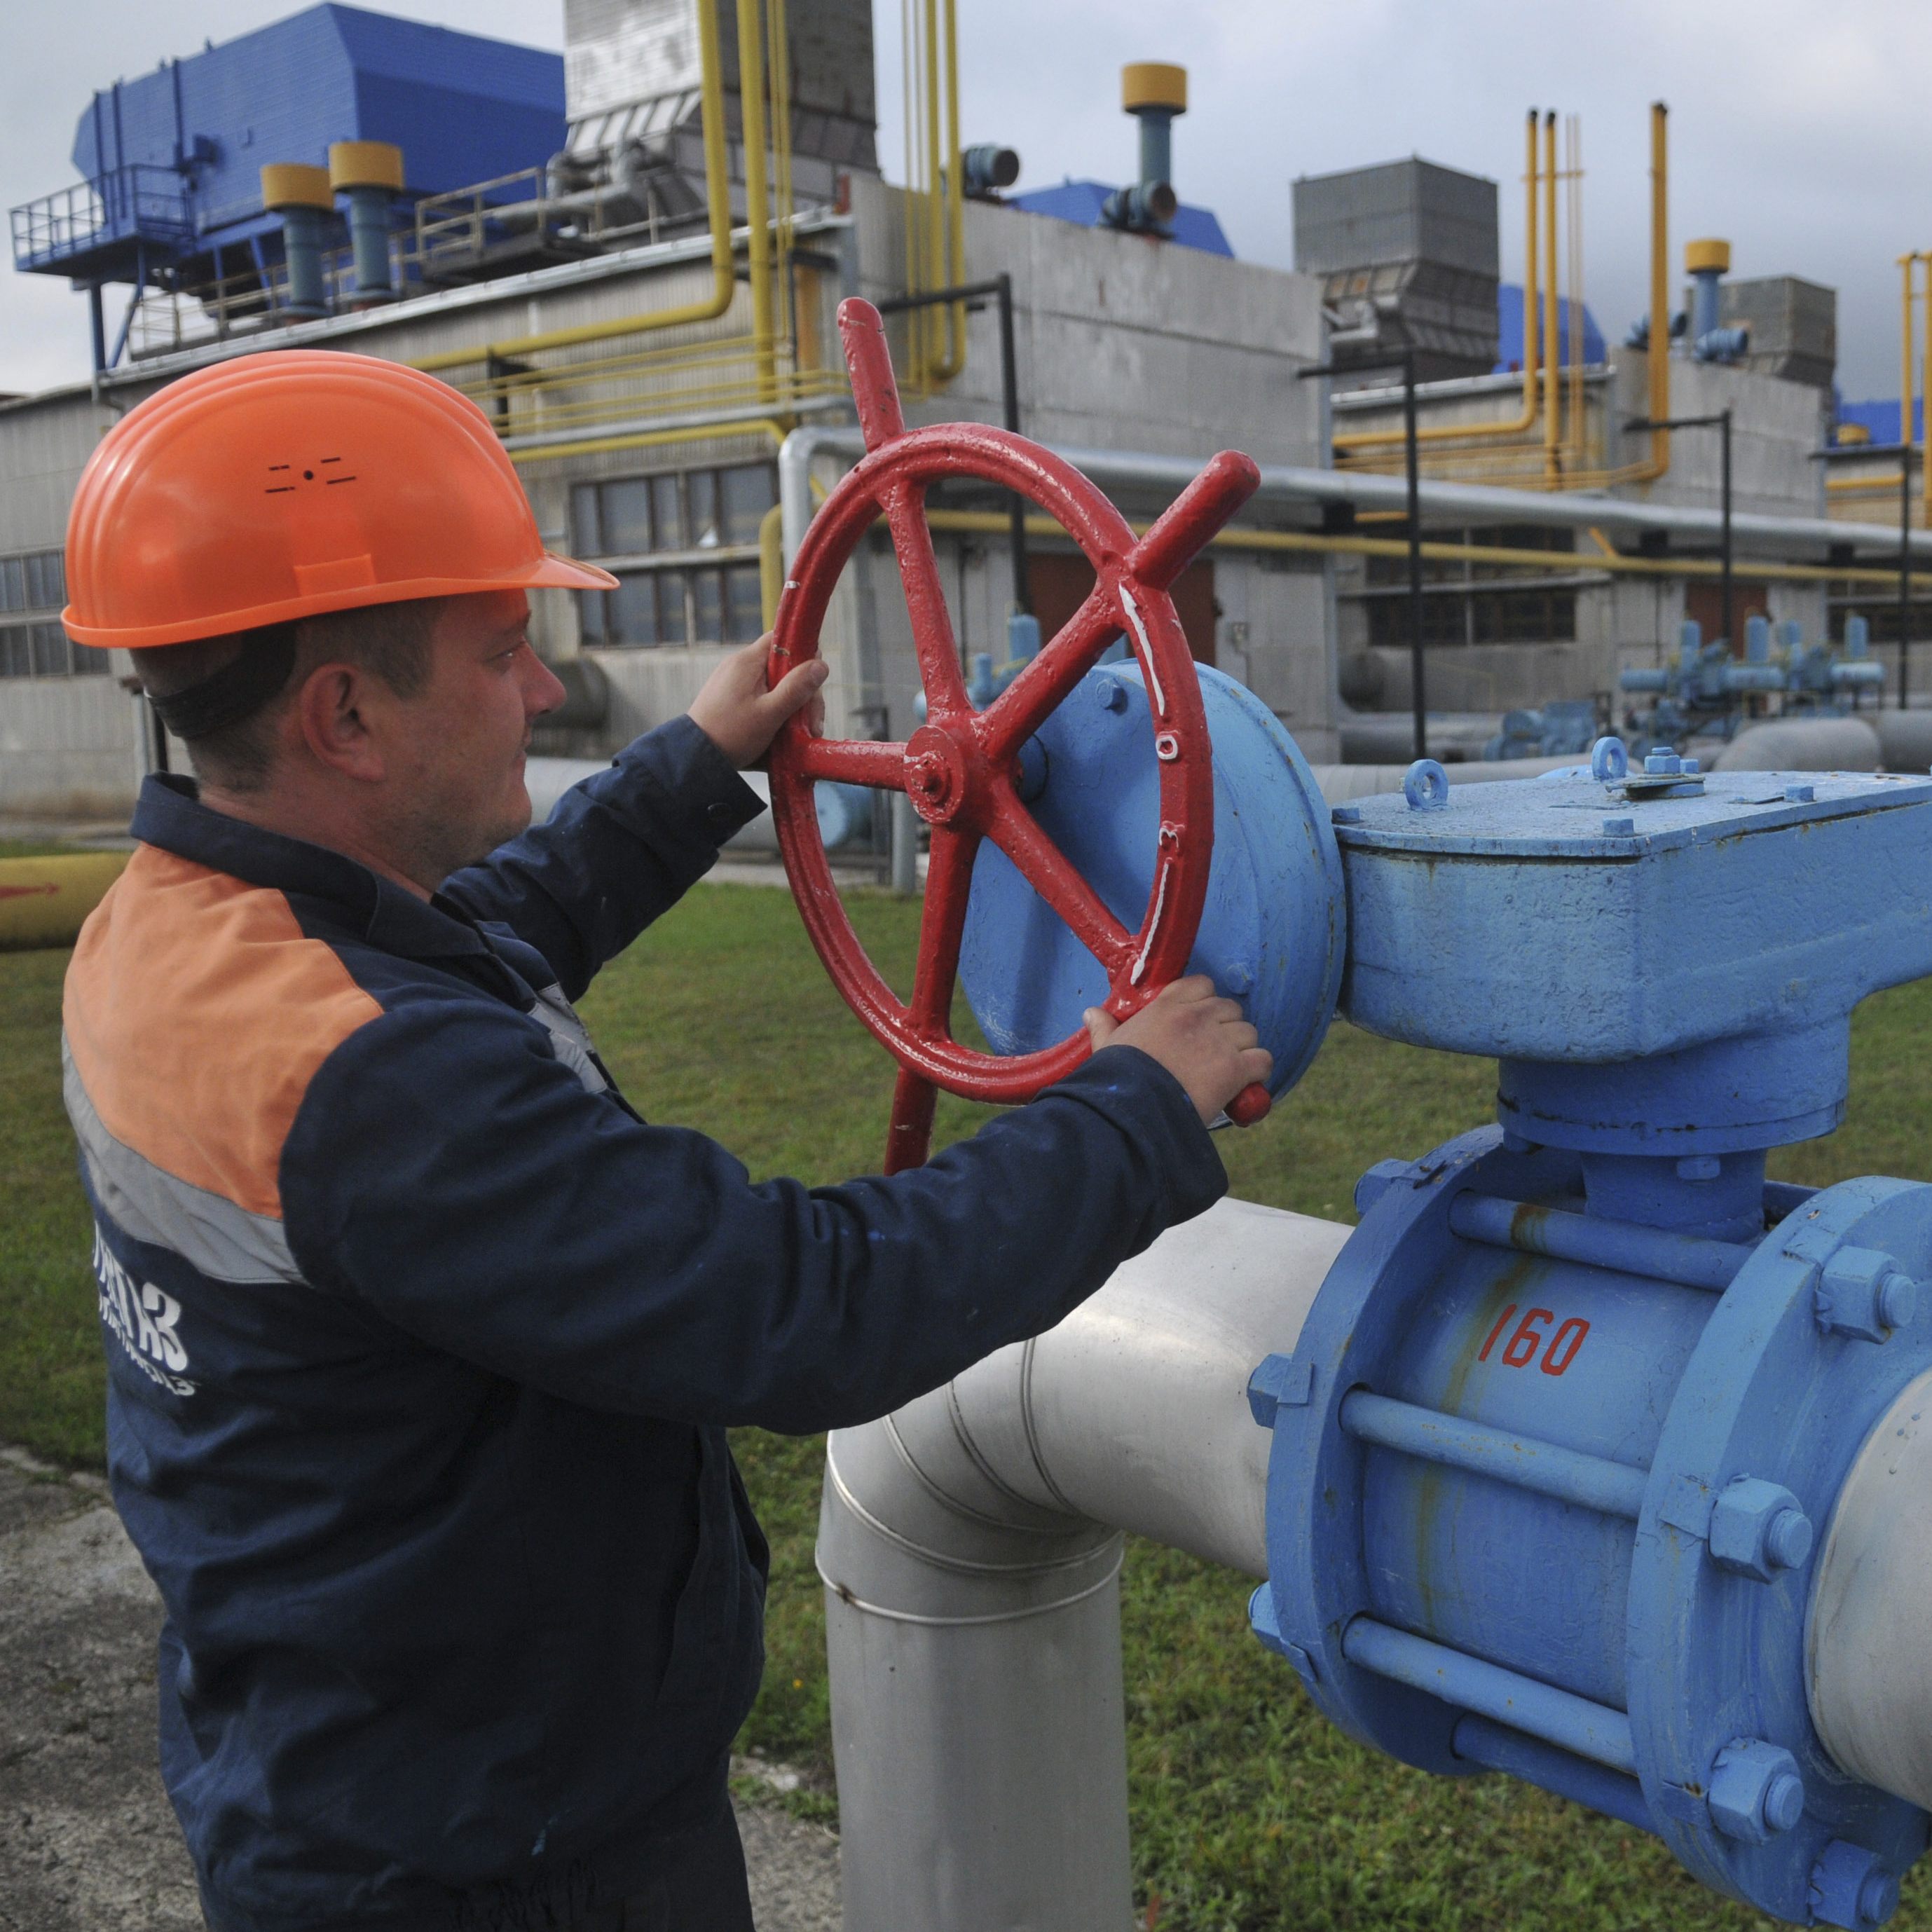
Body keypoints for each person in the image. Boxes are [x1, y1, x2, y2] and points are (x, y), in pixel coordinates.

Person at [59, 350, 1269, 1932]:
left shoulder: (184, 936)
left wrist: (696, 771)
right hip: (501, 1857)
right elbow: (797, 1305)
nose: (545, 690)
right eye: (502, 652)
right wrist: (1128, 1113)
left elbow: (487, 935)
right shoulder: (371, 1087)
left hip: (341, 1756)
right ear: (344, 714)